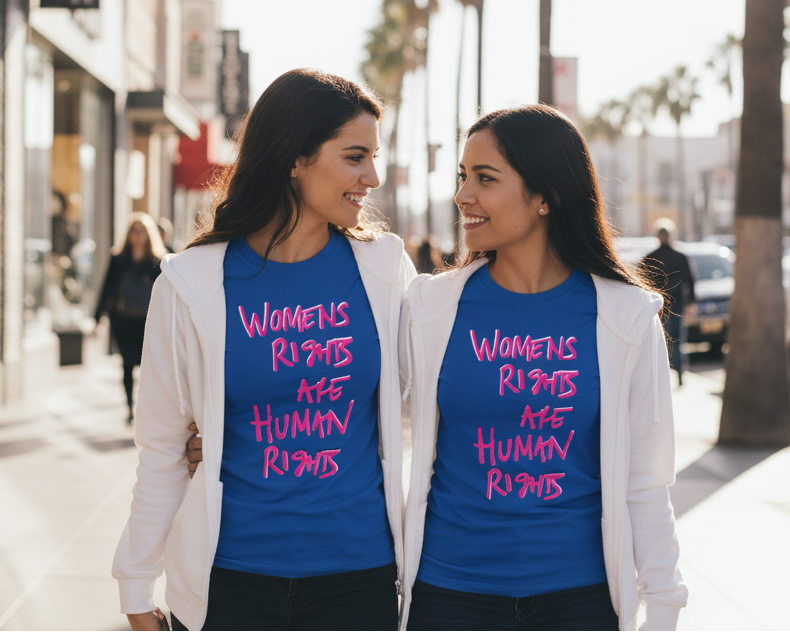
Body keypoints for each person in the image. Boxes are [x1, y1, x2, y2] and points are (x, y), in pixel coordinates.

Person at [112, 69, 416, 632]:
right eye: (355, 156)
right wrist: (136, 582)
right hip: (228, 582)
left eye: (374, 156)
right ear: (294, 158)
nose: (372, 176)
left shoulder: (385, 271)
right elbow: (160, 447)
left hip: (359, 578)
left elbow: (428, 401)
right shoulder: (191, 283)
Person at [399, 105, 688, 631]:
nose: (464, 195)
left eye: (486, 178)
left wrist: (664, 605)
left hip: (578, 600)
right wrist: (211, 428)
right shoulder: (428, 309)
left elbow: (646, 478)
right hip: (448, 595)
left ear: (544, 197)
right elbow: (350, 404)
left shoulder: (623, 317)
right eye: (464, 177)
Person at [94, 213, 167, 423]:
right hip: (123, 320)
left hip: (149, 322)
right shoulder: (119, 259)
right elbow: (107, 289)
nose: (138, 235)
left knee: (148, 366)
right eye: (134, 231)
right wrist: (98, 317)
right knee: (127, 363)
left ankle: (147, 408)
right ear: (128, 234)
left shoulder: (159, 260)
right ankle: (129, 407)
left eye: (142, 231)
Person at [641, 220, 696, 386]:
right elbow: (690, 281)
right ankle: (680, 375)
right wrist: (691, 302)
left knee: (658, 342)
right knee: (678, 341)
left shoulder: (650, 257)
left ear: (658, 236)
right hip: (677, 304)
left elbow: (641, 283)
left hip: (656, 307)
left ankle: (660, 379)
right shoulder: (680, 257)